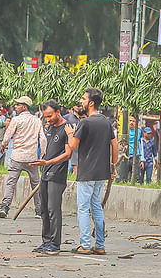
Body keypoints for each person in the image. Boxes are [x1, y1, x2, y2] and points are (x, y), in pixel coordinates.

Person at [65, 88, 118, 255]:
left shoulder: (85, 123)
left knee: (83, 207)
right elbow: (114, 145)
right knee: (96, 207)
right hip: (101, 172)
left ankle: (85, 244)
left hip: (87, 171)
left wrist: (69, 134)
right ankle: (100, 245)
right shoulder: (106, 122)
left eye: (83, 98)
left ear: (91, 103)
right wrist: (113, 166)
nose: (81, 101)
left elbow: (73, 146)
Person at [30, 100, 72, 254]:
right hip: (46, 172)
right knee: (44, 209)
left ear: (58, 112)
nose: (47, 119)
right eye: (45, 117)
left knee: (53, 210)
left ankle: (55, 244)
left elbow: (68, 154)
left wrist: (48, 162)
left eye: (50, 116)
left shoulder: (67, 128)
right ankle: (46, 241)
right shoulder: (50, 128)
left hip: (57, 174)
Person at [0, 96, 46, 218]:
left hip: (17, 157)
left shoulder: (16, 120)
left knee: (11, 182)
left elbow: (8, 135)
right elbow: (43, 138)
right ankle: (39, 211)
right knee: (36, 184)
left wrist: (3, 145)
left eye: (18, 104)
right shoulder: (36, 121)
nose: (15, 107)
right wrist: (42, 154)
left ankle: (5, 207)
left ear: (24, 107)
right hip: (32, 158)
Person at [117, 116, 142, 182]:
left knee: (136, 176)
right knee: (123, 176)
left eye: (133, 121)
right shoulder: (124, 131)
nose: (131, 122)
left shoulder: (139, 132)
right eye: (130, 120)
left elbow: (141, 144)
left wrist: (142, 158)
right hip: (125, 155)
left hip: (135, 155)